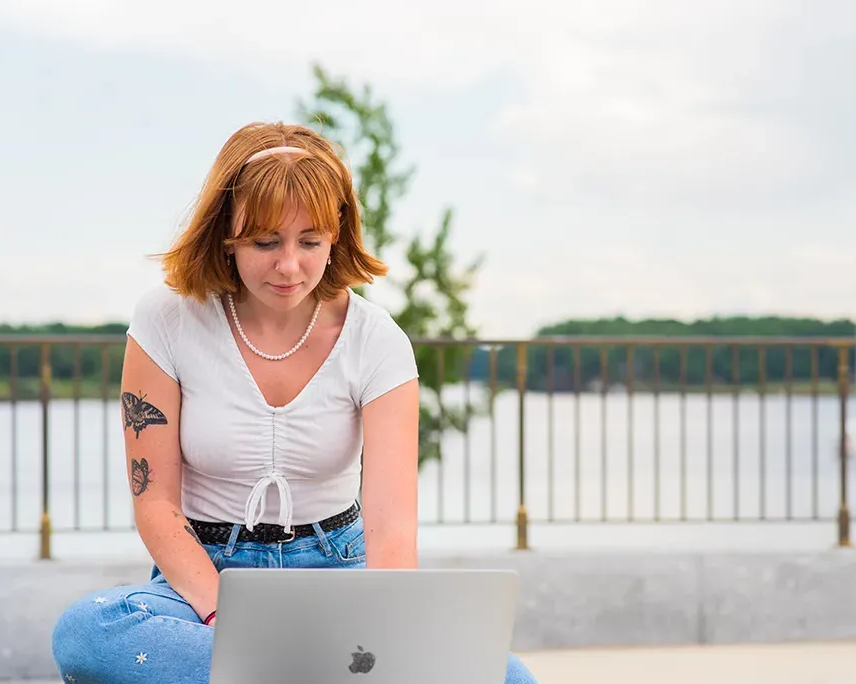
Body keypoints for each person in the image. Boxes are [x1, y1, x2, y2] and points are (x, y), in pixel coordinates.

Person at [50, 121, 538, 684]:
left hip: (340, 570)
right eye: (265, 242)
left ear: (336, 238)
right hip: (204, 578)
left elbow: (391, 528)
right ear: (225, 235)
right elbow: (154, 503)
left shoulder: (377, 341)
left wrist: (390, 636)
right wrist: (223, 619)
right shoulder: (166, 318)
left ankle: (284, 673)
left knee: (508, 676)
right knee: (88, 633)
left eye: (310, 242)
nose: (289, 266)